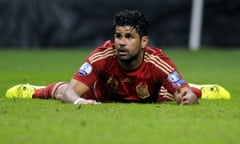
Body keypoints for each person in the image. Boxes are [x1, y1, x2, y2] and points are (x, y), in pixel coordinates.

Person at [5, 10, 231, 105]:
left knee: (168, 94)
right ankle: (34, 90)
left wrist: (189, 96)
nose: (121, 42)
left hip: (148, 96)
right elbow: (72, 90)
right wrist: (78, 101)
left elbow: (184, 93)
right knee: (62, 90)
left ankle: (203, 88)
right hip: (105, 96)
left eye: (129, 37)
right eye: (118, 36)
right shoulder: (102, 55)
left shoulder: (157, 61)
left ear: (144, 41)